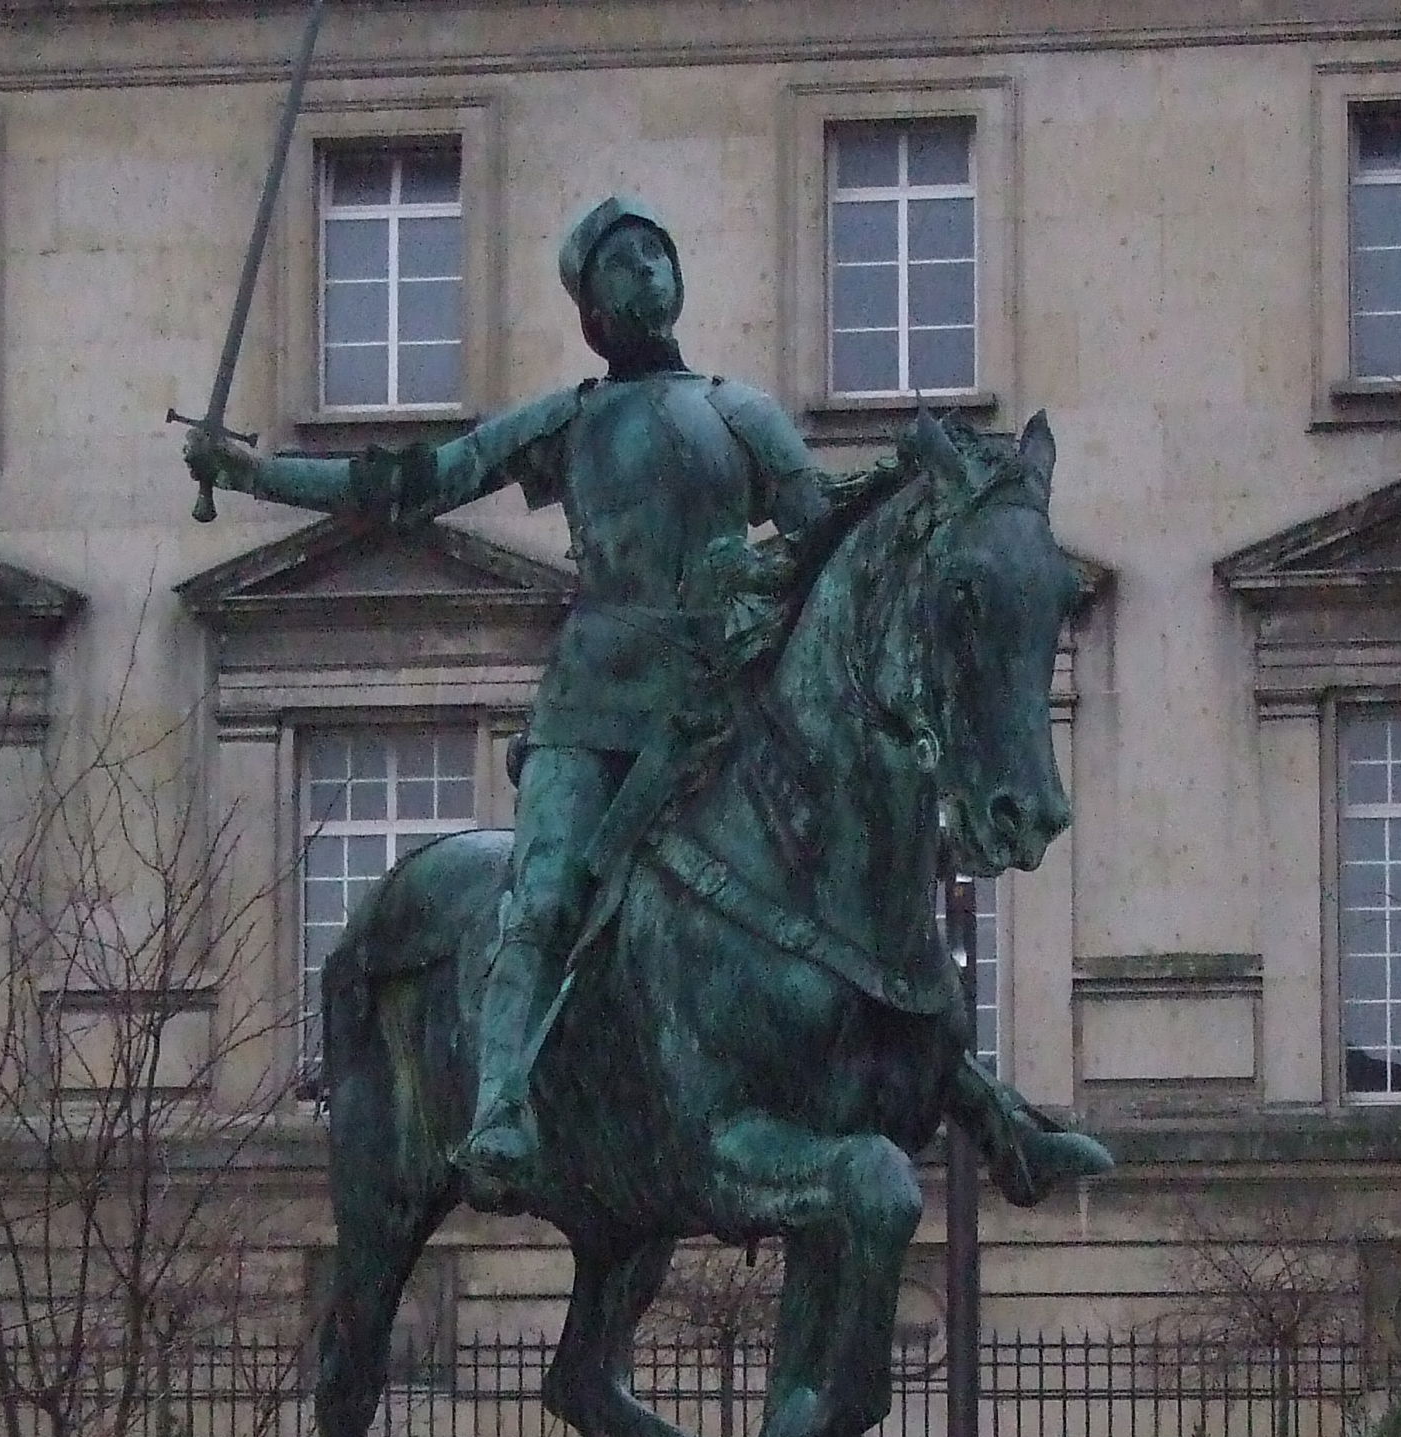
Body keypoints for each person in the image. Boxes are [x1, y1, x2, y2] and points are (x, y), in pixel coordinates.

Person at [189, 195, 1106, 1210]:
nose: (645, 277)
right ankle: (500, 1108)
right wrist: (253, 472)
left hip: (717, 711)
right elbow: (414, 482)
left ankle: (988, 1113)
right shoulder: (568, 419)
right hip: (590, 711)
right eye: (619, 265)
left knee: (848, 889)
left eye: (656, 258)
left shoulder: (740, 412)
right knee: (541, 897)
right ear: (589, 305)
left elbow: (817, 541)